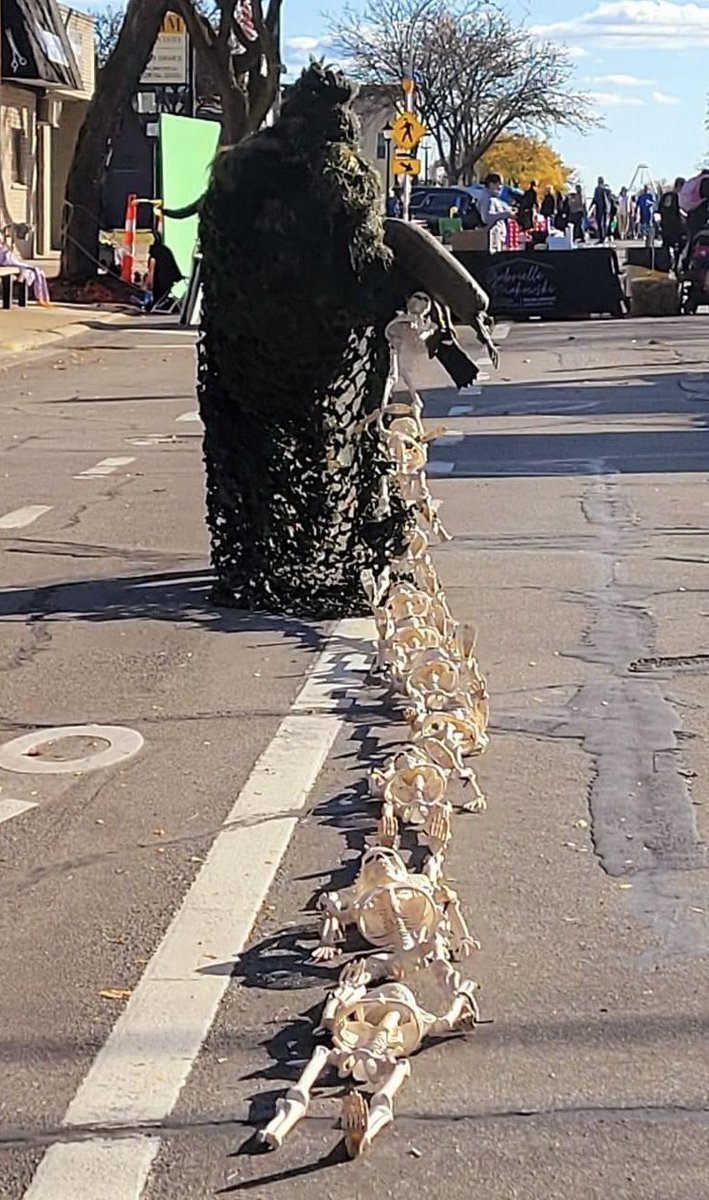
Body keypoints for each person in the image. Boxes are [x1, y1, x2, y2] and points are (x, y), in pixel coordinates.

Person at [145, 229, 183, 311]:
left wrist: (148, 281)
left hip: (161, 280)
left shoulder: (156, 251)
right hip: (170, 278)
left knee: (158, 292)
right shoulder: (164, 250)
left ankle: (156, 304)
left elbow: (152, 267)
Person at [477, 172, 513, 251]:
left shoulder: (494, 198)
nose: (501, 187)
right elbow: (486, 218)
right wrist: (507, 214)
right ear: (491, 184)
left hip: (497, 239)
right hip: (492, 241)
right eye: (499, 184)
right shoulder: (487, 199)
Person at [658, 177, 686, 267]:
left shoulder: (666, 196)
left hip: (665, 226)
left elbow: (660, 210)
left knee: (666, 246)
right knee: (680, 246)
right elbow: (682, 212)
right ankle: (675, 264)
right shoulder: (679, 197)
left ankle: (665, 264)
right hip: (676, 227)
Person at [590, 177, 611, 242]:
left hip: (603, 208)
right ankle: (602, 237)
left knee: (602, 223)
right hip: (600, 208)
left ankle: (603, 237)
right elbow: (595, 199)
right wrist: (591, 206)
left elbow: (607, 198)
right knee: (600, 223)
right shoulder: (598, 189)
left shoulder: (604, 189)